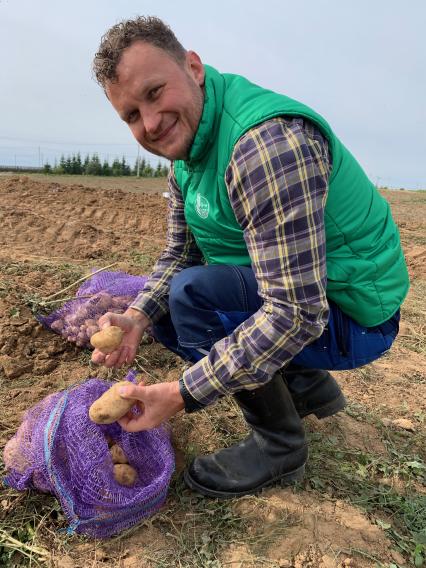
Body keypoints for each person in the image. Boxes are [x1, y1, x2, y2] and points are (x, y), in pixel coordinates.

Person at [91, 16, 409, 498]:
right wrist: (136, 318)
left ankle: (279, 446)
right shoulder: (188, 156)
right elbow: (181, 251)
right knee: (169, 311)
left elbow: (297, 312)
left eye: (154, 93)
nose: (150, 123)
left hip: (358, 312)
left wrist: (181, 394)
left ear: (193, 67)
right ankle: (307, 388)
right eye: (132, 115)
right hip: (314, 293)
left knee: (193, 298)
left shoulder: (262, 147)